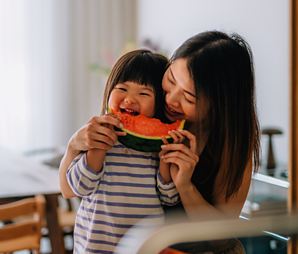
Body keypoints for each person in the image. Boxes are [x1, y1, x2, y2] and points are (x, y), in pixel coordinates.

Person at [60, 30, 260, 253]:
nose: (171, 99)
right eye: (171, 80)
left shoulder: (232, 142)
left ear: (219, 104)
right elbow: (69, 190)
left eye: (189, 97)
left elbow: (221, 239)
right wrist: (72, 146)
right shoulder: (151, 107)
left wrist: (185, 186)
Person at [62, 49, 181, 254]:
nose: (130, 99)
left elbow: (170, 198)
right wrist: (100, 146)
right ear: (109, 91)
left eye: (144, 93)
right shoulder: (93, 135)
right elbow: (79, 187)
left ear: (158, 105)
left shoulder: (155, 148)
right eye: (122, 89)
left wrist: (164, 158)